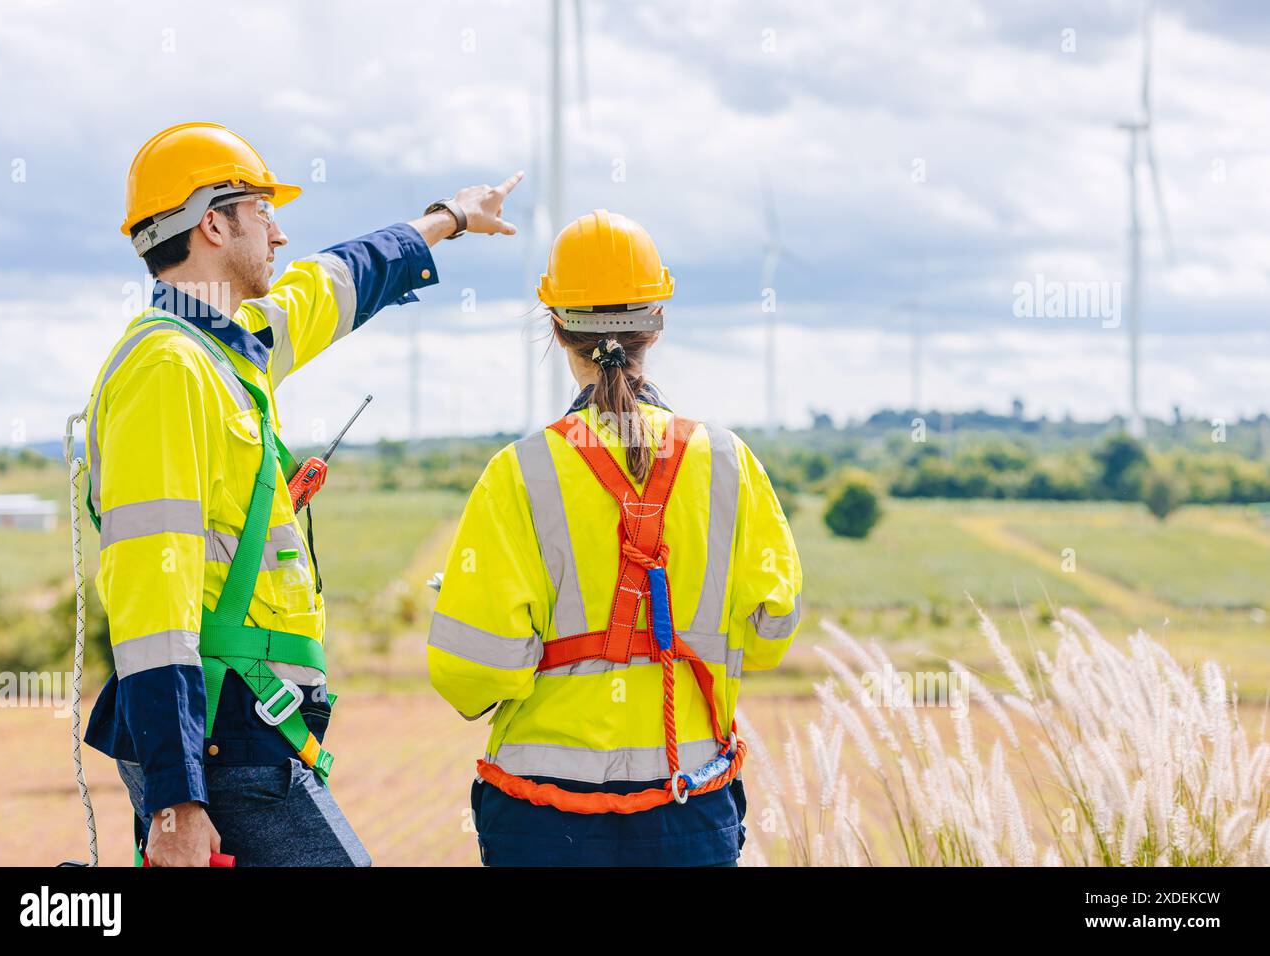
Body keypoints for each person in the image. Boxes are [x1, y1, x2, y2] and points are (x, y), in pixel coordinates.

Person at [83, 121, 522, 866]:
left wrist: (448, 218)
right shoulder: (168, 368)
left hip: (246, 730)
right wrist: (175, 798)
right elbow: (151, 599)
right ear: (213, 223)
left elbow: (339, 279)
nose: (280, 235)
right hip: (225, 738)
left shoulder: (230, 344)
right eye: (263, 210)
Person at [426, 209, 802, 866]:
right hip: (686, 802)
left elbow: (471, 672)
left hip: (542, 817)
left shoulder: (518, 472)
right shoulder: (728, 462)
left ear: (555, 325)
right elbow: (772, 630)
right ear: (656, 323)